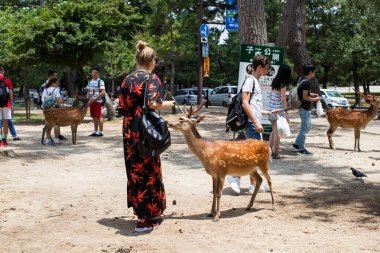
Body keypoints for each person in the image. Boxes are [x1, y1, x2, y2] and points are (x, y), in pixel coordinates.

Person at [119, 40, 174, 232]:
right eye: (155, 60)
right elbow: (152, 103)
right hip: (144, 129)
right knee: (149, 170)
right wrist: (166, 105)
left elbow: (120, 107)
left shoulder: (126, 79)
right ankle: (144, 220)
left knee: (134, 171)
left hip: (129, 129)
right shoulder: (152, 79)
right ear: (151, 60)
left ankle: (143, 213)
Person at [227, 55, 279, 195]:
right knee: (255, 155)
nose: (268, 71)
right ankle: (242, 180)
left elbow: (253, 106)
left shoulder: (254, 81)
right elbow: (245, 103)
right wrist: (256, 121)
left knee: (250, 154)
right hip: (251, 123)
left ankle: (247, 181)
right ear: (260, 67)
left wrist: (267, 113)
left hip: (252, 122)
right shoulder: (250, 81)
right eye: (267, 68)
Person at [292, 63, 320, 156]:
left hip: (301, 107)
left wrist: (311, 94)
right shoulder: (307, 82)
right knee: (305, 128)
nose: (314, 74)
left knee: (306, 127)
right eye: (314, 72)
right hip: (304, 107)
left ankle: (297, 143)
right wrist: (315, 99)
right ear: (311, 72)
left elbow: (303, 93)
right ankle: (301, 149)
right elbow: (305, 97)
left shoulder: (301, 79)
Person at [268, 64, 292, 159]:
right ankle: (276, 153)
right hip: (278, 110)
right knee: (277, 133)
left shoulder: (275, 81)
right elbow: (283, 99)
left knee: (273, 131)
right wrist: (286, 112)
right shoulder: (283, 84)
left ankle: (269, 151)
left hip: (271, 109)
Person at [40, 70, 66, 140]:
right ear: (51, 76)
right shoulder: (52, 85)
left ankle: (48, 138)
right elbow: (58, 97)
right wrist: (60, 104)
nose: (56, 77)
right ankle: (56, 137)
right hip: (54, 107)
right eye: (55, 75)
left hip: (46, 106)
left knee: (47, 122)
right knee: (56, 122)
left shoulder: (46, 86)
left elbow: (42, 96)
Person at [86, 67, 105, 137]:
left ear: (98, 73)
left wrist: (95, 99)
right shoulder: (89, 82)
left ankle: (100, 132)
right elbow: (88, 91)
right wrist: (88, 99)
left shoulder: (101, 81)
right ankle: (95, 131)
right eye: (93, 72)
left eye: (96, 72)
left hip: (98, 101)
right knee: (94, 116)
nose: (94, 73)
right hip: (91, 102)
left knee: (99, 116)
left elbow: (103, 92)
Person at [0, 66, 14, 147]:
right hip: (7, 103)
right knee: (5, 121)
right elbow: (11, 93)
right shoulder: (7, 80)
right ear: (3, 71)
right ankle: (4, 140)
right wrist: (11, 104)